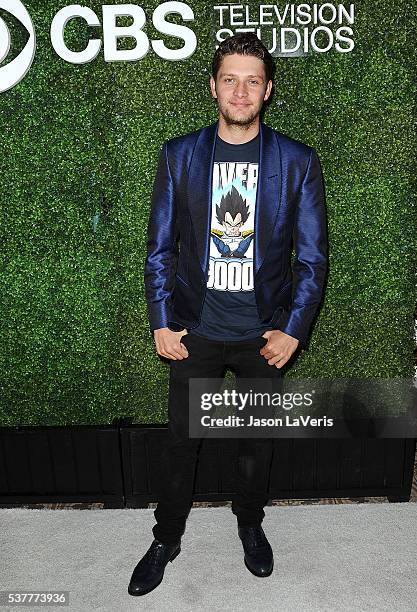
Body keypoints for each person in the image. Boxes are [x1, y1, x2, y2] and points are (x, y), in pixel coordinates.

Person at [128, 32, 328, 596]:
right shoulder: (180, 155)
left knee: (253, 442)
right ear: (214, 86)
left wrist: (293, 331)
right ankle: (166, 537)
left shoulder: (296, 162)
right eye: (230, 79)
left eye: (253, 81)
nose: (240, 91)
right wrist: (161, 320)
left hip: (263, 334)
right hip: (196, 331)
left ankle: (250, 524)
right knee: (180, 442)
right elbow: (161, 247)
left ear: (268, 91)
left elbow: (312, 259)